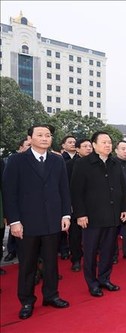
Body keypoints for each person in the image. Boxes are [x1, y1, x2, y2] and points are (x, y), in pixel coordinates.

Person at [3, 124, 71, 320]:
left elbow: (63, 190)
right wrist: (14, 221)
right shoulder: (16, 161)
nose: (44, 138)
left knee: (51, 263)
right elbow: (9, 193)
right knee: (27, 265)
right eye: (40, 135)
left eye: (48, 135)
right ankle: (26, 301)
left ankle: (51, 295)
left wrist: (65, 215)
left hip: (52, 221)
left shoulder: (57, 161)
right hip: (27, 223)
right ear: (30, 138)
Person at [70, 131, 126, 297]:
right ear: (94, 145)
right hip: (92, 217)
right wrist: (80, 214)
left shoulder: (115, 163)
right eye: (103, 142)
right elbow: (76, 191)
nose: (108, 145)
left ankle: (104, 278)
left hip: (112, 215)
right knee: (90, 252)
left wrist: (124, 208)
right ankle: (92, 283)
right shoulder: (83, 164)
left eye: (109, 142)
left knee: (108, 250)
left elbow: (123, 188)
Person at [66, 138, 93, 272]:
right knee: (75, 234)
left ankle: (91, 258)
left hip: (94, 205)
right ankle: (76, 259)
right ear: (77, 149)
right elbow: (68, 187)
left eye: (90, 146)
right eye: (85, 146)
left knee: (93, 234)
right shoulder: (70, 164)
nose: (88, 148)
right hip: (76, 205)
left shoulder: (96, 163)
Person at [4, 138, 31, 263]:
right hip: (20, 212)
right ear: (21, 148)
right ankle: (12, 251)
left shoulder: (50, 161)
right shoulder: (14, 161)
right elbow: (9, 190)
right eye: (28, 145)